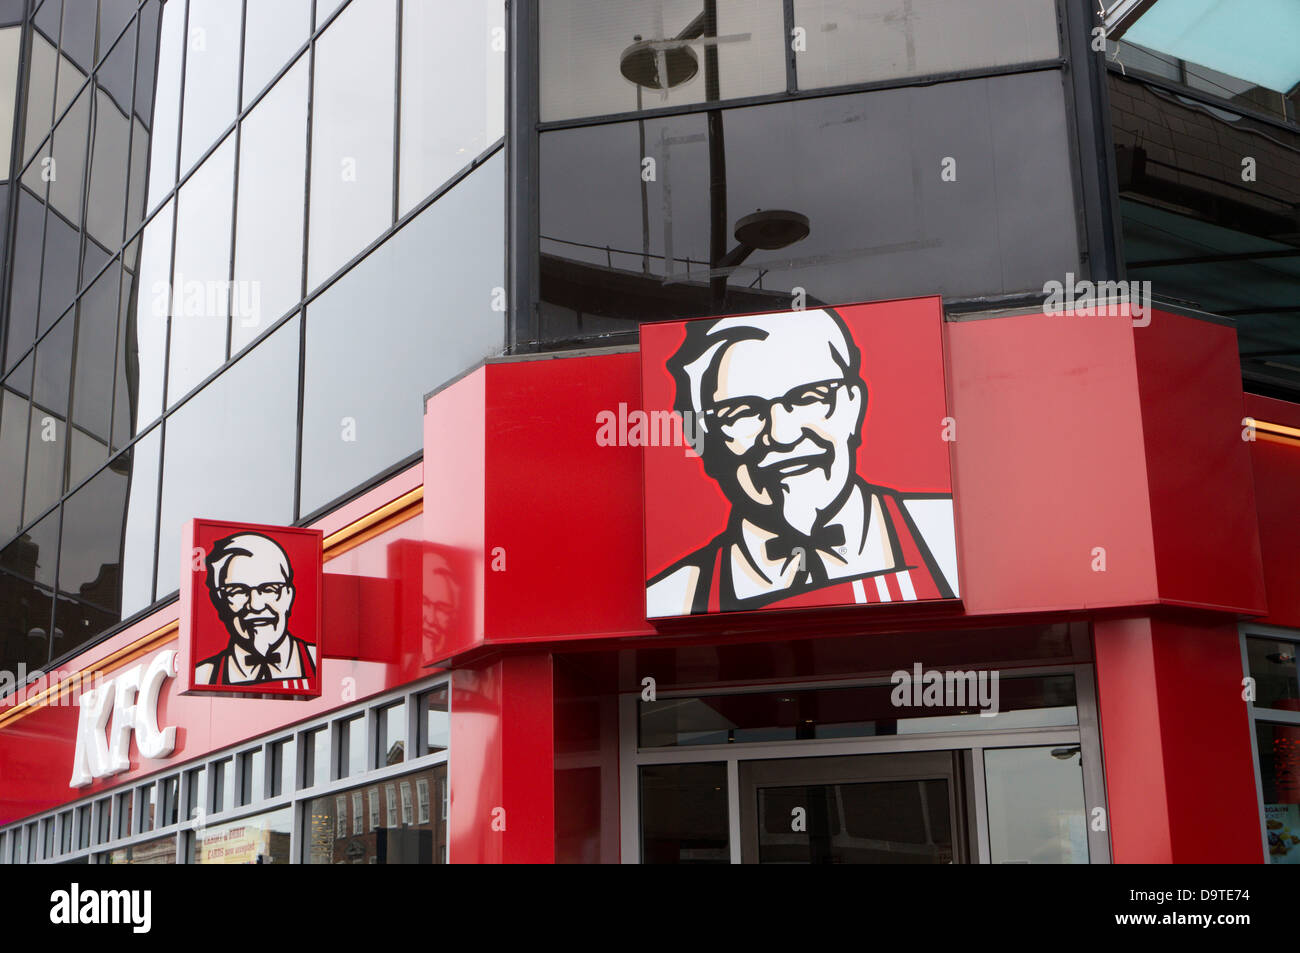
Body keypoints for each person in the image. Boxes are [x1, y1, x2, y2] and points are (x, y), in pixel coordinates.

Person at [646, 307, 958, 616]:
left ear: (854, 406)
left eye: (809, 398)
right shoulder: (677, 595)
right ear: (703, 438)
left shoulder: (942, 535)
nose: (782, 435)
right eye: (742, 412)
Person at [195, 532, 317, 687]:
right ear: (220, 602)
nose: (256, 605)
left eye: (269, 589)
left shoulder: (320, 663)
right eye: (238, 591)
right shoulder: (203, 677)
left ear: (289, 596)